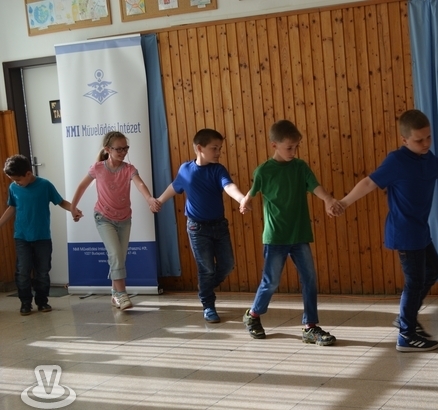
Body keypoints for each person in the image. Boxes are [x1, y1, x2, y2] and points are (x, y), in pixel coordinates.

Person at [335, 109, 438, 352]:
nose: (425, 143)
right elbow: (369, 182)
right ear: (405, 140)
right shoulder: (396, 161)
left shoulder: (428, 159)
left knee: (433, 269)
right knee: (414, 282)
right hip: (404, 232)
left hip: (420, 231)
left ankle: (407, 316)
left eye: (428, 137)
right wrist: (343, 202)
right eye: (419, 140)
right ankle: (406, 334)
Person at [239, 119, 341, 346]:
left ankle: (310, 327)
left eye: (296, 147)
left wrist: (328, 200)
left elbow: (315, 187)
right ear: (274, 145)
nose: (293, 152)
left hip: (299, 235)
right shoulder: (264, 171)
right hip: (276, 237)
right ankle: (253, 315)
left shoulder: (300, 167)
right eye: (289, 148)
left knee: (309, 279)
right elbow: (252, 191)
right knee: (271, 281)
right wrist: (245, 201)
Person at [157, 129, 247, 323]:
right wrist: (159, 200)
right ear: (199, 148)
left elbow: (228, 186)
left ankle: (204, 287)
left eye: (220, 148)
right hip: (197, 228)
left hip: (219, 226)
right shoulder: (185, 170)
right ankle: (208, 305)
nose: (218, 152)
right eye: (214, 148)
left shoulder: (218, 170)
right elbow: (174, 186)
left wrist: (241, 199)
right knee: (206, 269)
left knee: (227, 265)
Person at [71, 131, 160, 311]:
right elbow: (82, 186)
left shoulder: (129, 169)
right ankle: (122, 293)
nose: (123, 152)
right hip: (103, 217)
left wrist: (150, 199)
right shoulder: (98, 168)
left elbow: (140, 184)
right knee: (116, 254)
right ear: (107, 149)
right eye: (118, 149)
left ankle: (114, 293)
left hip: (124, 219)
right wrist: (73, 207)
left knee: (120, 256)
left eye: (125, 148)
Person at [0, 154, 81, 315]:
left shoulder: (45, 185)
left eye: (18, 180)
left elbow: (60, 201)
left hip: (42, 237)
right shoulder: (14, 188)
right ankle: (25, 302)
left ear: (28, 174)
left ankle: (42, 301)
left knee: (42, 271)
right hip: (22, 236)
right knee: (23, 271)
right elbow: (12, 207)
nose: (16, 183)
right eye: (13, 180)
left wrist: (74, 210)